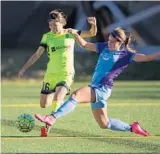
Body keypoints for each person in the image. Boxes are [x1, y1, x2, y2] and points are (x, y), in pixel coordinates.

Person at [35, 27, 160, 137]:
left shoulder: (126, 55)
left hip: (102, 88)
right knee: (105, 124)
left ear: (121, 42)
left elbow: (147, 57)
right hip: (97, 88)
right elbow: (85, 45)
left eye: (113, 41)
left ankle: (51, 118)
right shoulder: (104, 46)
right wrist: (76, 34)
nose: (109, 43)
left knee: (75, 96)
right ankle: (132, 127)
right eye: (109, 40)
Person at [18, 9, 97, 112]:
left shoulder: (71, 33)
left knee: (57, 99)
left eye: (55, 25)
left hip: (66, 73)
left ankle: (50, 120)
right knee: (44, 104)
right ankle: (60, 99)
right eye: (51, 25)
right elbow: (37, 54)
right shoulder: (47, 37)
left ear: (62, 23)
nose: (53, 27)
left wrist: (93, 25)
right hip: (50, 74)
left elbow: (92, 33)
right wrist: (24, 68)